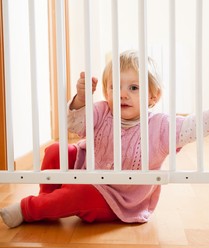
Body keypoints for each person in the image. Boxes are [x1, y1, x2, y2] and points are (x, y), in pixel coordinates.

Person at [1, 50, 209, 228]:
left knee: (80, 192)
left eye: (133, 88)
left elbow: (192, 127)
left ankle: (29, 208)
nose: (122, 95)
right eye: (114, 87)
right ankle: (46, 200)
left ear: (154, 96)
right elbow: (75, 125)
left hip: (117, 199)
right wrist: (80, 101)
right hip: (85, 170)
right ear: (106, 91)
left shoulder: (161, 126)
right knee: (56, 150)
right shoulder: (102, 110)